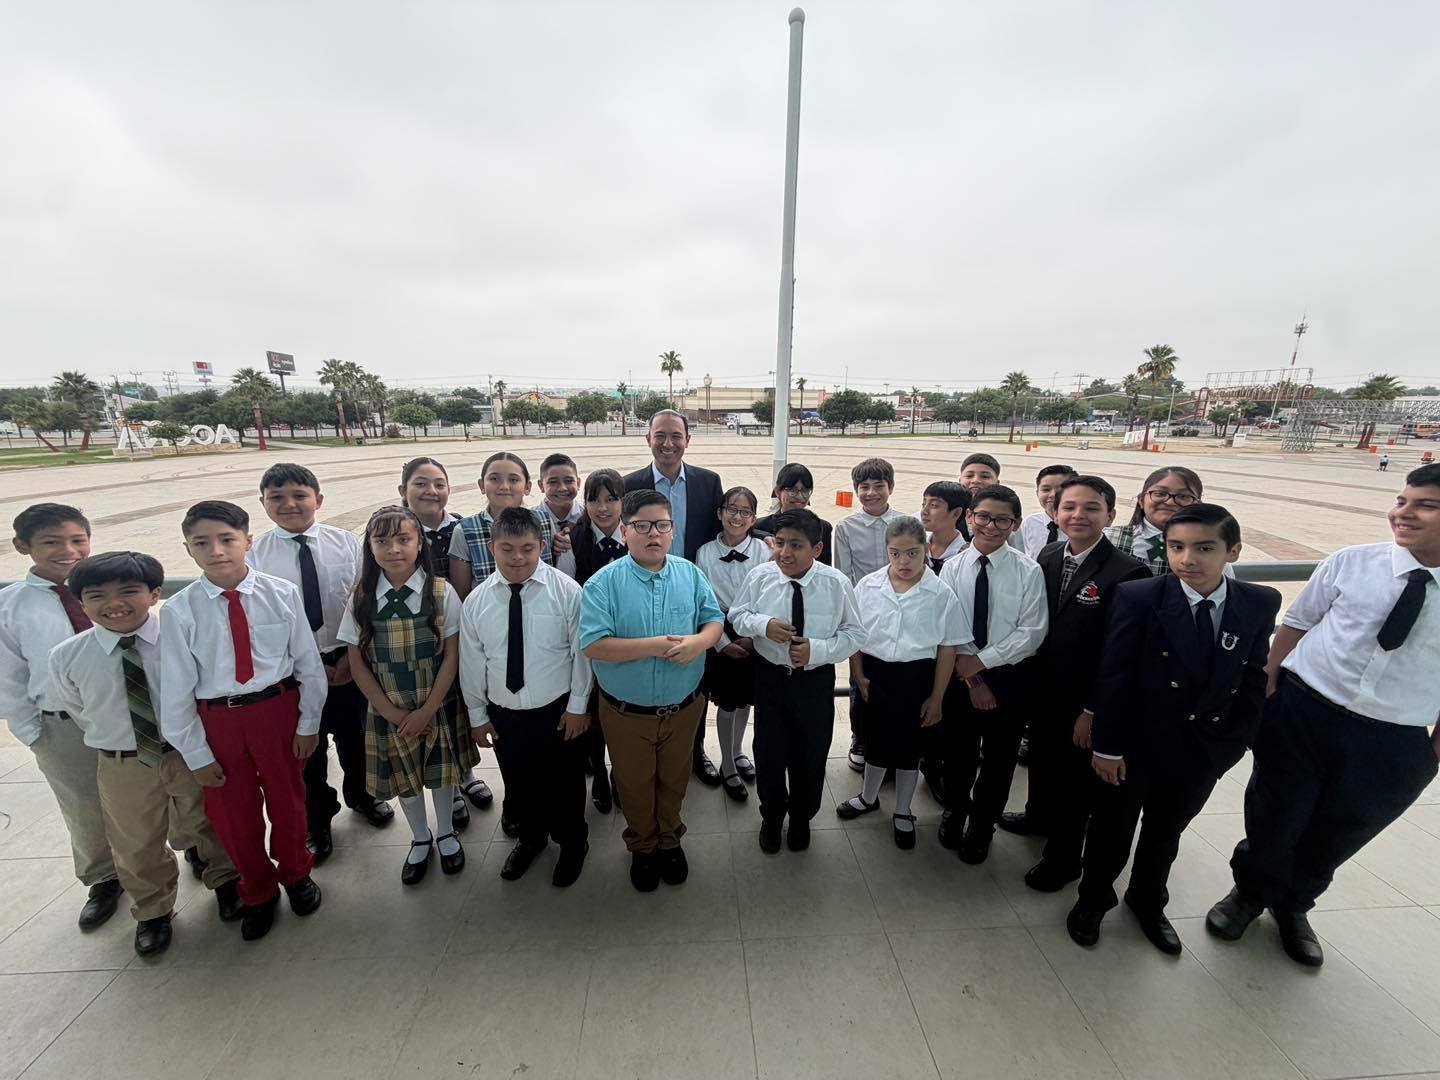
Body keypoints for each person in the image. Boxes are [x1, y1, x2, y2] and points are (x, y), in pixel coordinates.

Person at [1208, 463, 1440, 968]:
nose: (1403, 513)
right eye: (1402, 500)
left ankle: (1295, 905)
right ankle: (1248, 893)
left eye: (1425, 504)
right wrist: (1271, 684)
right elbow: (1296, 621)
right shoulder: (1353, 562)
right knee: (1275, 810)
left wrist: (1432, 748)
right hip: (1305, 709)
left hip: (1397, 734)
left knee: (1344, 827)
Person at [1068, 503, 1279, 955]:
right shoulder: (1141, 597)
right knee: (1112, 829)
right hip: (1135, 745)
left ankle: (1147, 901)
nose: (1188, 559)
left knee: (1166, 833)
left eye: (1205, 548)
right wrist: (1106, 748)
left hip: (1201, 749)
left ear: (1233, 551)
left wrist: (1233, 744)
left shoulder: (1258, 602)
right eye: (1176, 546)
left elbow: (1254, 676)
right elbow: (1115, 674)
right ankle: (1093, 900)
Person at [48, 552, 242, 956]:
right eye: (97, 595)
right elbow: (80, 710)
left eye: (129, 591)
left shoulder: (181, 636)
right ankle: (152, 910)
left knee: (209, 820)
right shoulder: (68, 656)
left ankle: (226, 883)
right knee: (135, 840)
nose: (113, 603)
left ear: (155, 594)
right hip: (123, 761)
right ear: (80, 603)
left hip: (188, 752)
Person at [159, 501, 325, 942]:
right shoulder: (179, 611)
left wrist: (309, 722)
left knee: (288, 800)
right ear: (188, 549)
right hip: (219, 720)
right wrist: (194, 752)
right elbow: (176, 690)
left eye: (227, 539)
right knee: (234, 814)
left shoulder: (281, 593)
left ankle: (295, 873)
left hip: (277, 710)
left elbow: (308, 663)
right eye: (202, 543)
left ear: (248, 542)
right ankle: (257, 889)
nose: (216, 550)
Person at [997, 476, 1149, 891]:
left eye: (1091, 508)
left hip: (1082, 701)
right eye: (1069, 507)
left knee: (1074, 784)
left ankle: (1063, 860)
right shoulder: (1047, 554)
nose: (1078, 515)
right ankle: (1036, 817)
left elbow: (1120, 654)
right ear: (1055, 512)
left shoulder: (1126, 572)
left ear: (1111, 515)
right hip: (1043, 691)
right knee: (1044, 764)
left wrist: (1092, 709)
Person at [247, 463, 393, 867]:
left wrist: (352, 656)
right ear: (263, 503)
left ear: (319, 499)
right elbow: (258, 621)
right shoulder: (255, 555)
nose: (289, 504)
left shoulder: (344, 544)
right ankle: (318, 819)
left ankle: (362, 796)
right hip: (291, 668)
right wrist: (302, 666)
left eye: (299, 495)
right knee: (305, 750)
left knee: (354, 737)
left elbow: (365, 601)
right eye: (276, 497)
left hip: (345, 658)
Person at [579, 490, 724, 892]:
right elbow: (593, 645)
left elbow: (713, 622)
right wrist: (657, 645)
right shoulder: (603, 583)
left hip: (684, 708)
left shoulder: (689, 574)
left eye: (661, 525)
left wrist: (699, 642)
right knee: (634, 784)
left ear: (673, 530)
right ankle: (642, 847)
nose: (653, 534)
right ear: (624, 531)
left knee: (675, 780)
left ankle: (669, 840)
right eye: (641, 526)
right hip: (627, 713)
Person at [0, 504, 121, 930]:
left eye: (77, 540)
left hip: (130, 714)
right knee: (83, 803)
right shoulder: (10, 606)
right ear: (22, 547)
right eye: (51, 542)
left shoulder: (116, 590)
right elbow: (9, 676)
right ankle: (104, 877)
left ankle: (193, 849)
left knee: (165, 791)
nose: (67, 551)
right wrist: (32, 731)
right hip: (61, 724)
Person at [340, 506, 473, 885]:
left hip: (436, 702)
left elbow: (452, 655)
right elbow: (358, 662)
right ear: (369, 546)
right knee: (404, 775)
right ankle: (419, 837)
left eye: (403, 539)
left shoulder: (440, 592)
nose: (393, 548)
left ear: (419, 545)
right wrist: (391, 712)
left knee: (440, 772)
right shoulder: (362, 597)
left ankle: (446, 831)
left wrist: (429, 708)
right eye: (382, 540)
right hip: (389, 705)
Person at [461, 508, 594, 887]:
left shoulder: (567, 591)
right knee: (520, 781)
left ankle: (572, 843)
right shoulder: (477, 601)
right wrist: (477, 715)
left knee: (565, 783)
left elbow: (580, 653)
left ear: (540, 547)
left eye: (527, 548)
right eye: (507, 548)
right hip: (506, 712)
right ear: (491, 547)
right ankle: (531, 839)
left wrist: (578, 707)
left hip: (558, 709)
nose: (517, 557)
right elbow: (472, 662)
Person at [730, 509, 866, 854]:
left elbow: (854, 634)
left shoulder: (835, 583)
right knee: (769, 751)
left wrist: (817, 650)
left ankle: (802, 816)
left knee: (811, 752)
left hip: (814, 681)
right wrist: (763, 625)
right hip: (770, 679)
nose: (784, 553)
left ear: (817, 549)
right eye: (779, 543)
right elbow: (737, 615)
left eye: (796, 545)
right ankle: (772, 815)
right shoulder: (761, 576)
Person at [937, 485, 1048, 864]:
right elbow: (949, 626)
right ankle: (955, 810)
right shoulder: (951, 568)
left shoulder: (1028, 571)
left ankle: (982, 827)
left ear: (1015, 524)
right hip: (960, 675)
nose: (991, 525)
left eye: (1002, 519)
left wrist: (982, 665)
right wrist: (972, 678)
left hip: (1009, 678)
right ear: (969, 518)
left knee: (999, 761)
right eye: (982, 516)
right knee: (957, 753)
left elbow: (1031, 632)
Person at [835, 517, 961, 848]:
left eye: (912, 553)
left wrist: (937, 696)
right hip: (876, 676)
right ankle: (868, 797)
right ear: (886, 551)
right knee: (875, 740)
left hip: (917, 678)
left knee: (909, 748)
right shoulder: (868, 586)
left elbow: (948, 648)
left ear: (926, 550)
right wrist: (859, 674)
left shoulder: (940, 592)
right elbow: (856, 634)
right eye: (895, 554)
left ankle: (904, 810)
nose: (903, 562)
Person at [449, 452, 556, 828]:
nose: (505, 486)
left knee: (556, 768)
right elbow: (462, 594)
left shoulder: (544, 524)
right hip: (495, 627)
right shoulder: (467, 531)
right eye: (495, 478)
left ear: (528, 486)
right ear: (482, 485)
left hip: (541, 635)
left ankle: (561, 827)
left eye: (514, 479)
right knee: (515, 763)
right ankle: (523, 821)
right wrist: (477, 713)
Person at [621, 409, 726, 788]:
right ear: (647, 439)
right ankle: (634, 759)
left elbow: (723, 530)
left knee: (694, 680)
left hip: (690, 592)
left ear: (688, 440)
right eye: (660, 435)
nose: (668, 443)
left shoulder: (708, 482)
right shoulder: (629, 483)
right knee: (644, 672)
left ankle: (694, 751)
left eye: (676, 436)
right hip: (642, 590)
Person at [695, 486, 772, 802]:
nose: (737, 516)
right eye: (732, 509)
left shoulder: (765, 551)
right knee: (727, 702)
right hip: (720, 628)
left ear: (754, 518)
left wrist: (753, 637)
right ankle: (727, 763)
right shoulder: (704, 552)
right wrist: (722, 642)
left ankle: (739, 751)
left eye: (745, 512)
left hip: (755, 629)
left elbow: (771, 595)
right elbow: (703, 601)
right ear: (720, 513)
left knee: (745, 701)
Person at [833, 457, 908, 773]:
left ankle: (895, 740)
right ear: (856, 490)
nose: (872, 492)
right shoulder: (846, 527)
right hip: (864, 616)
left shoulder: (906, 524)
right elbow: (845, 576)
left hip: (902, 613)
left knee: (898, 679)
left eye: (879, 485)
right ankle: (860, 737)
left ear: (890, 487)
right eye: (864, 486)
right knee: (860, 680)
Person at [569, 468, 628, 812]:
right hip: (590, 640)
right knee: (592, 711)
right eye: (594, 499)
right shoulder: (572, 540)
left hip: (628, 638)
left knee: (621, 712)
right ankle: (601, 776)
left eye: (611, 499)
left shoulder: (634, 536)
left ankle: (622, 774)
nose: (602, 507)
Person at [1104, 466, 1205, 575]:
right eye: (1160, 494)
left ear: (1197, 505)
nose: (1170, 502)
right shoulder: (1108, 539)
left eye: (1184, 496)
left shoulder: (1208, 546)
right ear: (1141, 500)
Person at [754, 462, 833, 566]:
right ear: (778, 491)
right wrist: (762, 535)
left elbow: (825, 567)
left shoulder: (823, 528)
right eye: (792, 490)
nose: (799, 496)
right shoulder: (761, 526)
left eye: (805, 491)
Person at [399, 457, 462, 581]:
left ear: (448, 490)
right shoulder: (390, 533)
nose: (432, 491)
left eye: (439, 485)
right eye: (420, 484)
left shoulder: (463, 528)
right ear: (403, 491)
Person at [958, 455, 1026, 551]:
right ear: (960, 480)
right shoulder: (950, 511)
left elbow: (1018, 553)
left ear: (997, 483)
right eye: (969, 476)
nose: (975, 480)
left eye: (985, 476)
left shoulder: (1007, 517)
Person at [537, 453, 583, 578]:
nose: (562, 488)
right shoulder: (531, 520)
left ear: (578, 483)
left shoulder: (589, 515)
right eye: (553, 482)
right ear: (541, 485)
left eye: (569, 481)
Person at [1020, 464, 1077, 557]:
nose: (1053, 495)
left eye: (1061, 489)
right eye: (1046, 489)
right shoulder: (1029, 523)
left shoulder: (1080, 527)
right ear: (1037, 493)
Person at [920, 481, 969, 574]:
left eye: (933, 505)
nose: (924, 511)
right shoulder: (916, 544)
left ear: (956, 513)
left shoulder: (966, 555)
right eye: (923, 504)